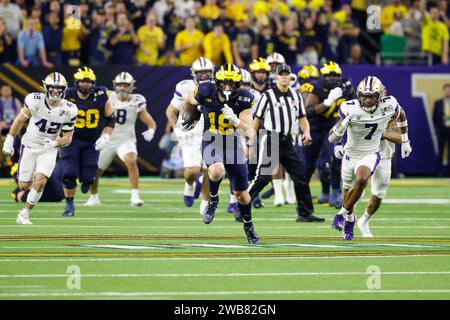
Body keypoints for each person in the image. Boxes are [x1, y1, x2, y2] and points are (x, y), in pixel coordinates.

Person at [183, 63, 259, 244]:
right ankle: (213, 201)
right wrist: (190, 114)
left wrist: (235, 119)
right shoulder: (205, 90)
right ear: (217, 81)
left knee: (241, 194)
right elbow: (189, 100)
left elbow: (250, 131)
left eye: (232, 84)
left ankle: (249, 226)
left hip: (232, 144)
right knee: (216, 170)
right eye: (224, 83)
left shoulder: (244, 98)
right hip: (210, 139)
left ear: (238, 84)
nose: (227, 87)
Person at [329, 76, 412, 240]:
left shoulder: (388, 107)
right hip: (352, 153)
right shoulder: (350, 108)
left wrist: (405, 140)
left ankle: (352, 217)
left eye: (372, 96)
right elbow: (333, 135)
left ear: (381, 95)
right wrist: (338, 139)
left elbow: (401, 118)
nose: (368, 101)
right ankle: (349, 218)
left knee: (370, 187)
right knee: (348, 190)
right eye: (364, 97)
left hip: (375, 153)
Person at [249, 63, 324, 223]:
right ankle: (243, 207)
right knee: (263, 177)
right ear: (276, 77)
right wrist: (251, 142)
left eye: (286, 74)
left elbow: (302, 118)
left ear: (290, 77)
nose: (284, 77)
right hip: (272, 140)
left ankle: (304, 213)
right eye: (281, 74)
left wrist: (307, 132)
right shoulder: (267, 96)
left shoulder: (296, 95)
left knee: (301, 175)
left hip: (287, 141)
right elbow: (257, 121)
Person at [2, 72, 78, 224]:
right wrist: (9, 140)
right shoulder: (34, 100)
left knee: (41, 181)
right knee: (24, 185)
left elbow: (67, 138)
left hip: (49, 149)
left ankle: (24, 214)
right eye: (53, 87)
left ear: (64, 89)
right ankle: (22, 185)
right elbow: (19, 120)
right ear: (46, 87)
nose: (56, 91)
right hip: (29, 145)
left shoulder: (70, 109)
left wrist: (55, 143)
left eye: (59, 88)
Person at [85, 72, 156, 206]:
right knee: (95, 170)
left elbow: (149, 120)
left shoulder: (137, 100)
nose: (122, 88)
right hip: (106, 139)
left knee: (131, 160)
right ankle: (93, 197)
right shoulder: (107, 97)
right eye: (120, 85)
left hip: (126, 139)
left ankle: (135, 196)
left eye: (125, 85)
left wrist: (151, 130)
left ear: (131, 86)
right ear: (115, 86)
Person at [61, 66, 115, 216]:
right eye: (83, 81)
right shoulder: (67, 95)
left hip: (92, 142)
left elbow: (111, 119)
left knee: (89, 177)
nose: (86, 84)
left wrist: (106, 137)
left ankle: (86, 180)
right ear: (76, 82)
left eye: (89, 82)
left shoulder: (102, 94)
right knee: (69, 173)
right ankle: (69, 205)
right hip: (71, 140)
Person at [303, 61, 355, 209]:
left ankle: (335, 194)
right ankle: (304, 196)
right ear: (322, 76)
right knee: (309, 165)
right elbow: (308, 112)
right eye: (329, 75)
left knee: (334, 160)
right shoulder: (316, 87)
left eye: (335, 75)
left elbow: (354, 104)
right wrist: (327, 102)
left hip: (333, 128)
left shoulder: (346, 85)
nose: (332, 78)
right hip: (315, 128)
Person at [166, 57, 214, 213]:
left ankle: (205, 202)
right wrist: (176, 130)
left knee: (209, 170)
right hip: (190, 134)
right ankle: (189, 184)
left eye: (207, 72)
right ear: (194, 73)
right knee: (192, 172)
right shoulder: (185, 87)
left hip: (211, 133)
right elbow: (171, 111)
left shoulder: (218, 87)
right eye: (201, 73)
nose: (205, 76)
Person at [433, 83, 450, 176]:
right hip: (442, 131)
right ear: (444, 91)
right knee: (441, 151)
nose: (448, 92)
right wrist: (437, 129)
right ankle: (439, 172)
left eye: (449, 90)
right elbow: (435, 117)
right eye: (446, 90)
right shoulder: (438, 103)